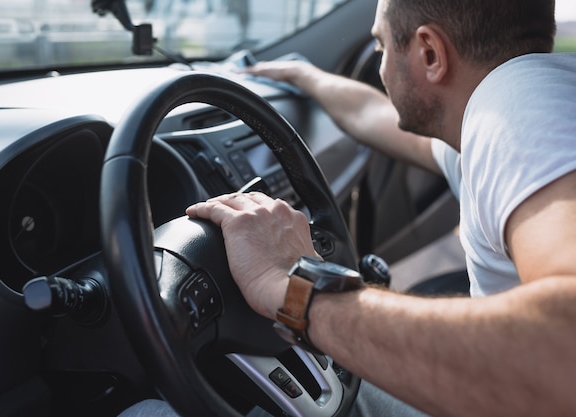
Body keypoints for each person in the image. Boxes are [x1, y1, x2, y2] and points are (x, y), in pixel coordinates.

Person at [122, 0, 576, 415]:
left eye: (380, 46)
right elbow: (373, 117)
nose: (380, 67)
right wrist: (304, 76)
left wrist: (293, 288)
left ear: (430, 54)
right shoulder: (517, 102)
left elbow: (564, 348)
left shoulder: (521, 115)